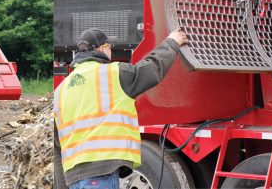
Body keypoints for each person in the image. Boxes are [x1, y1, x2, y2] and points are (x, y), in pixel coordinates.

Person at [53, 28, 188, 189]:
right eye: (109, 47)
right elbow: (152, 68)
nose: (111, 52)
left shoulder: (60, 91)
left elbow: (57, 143)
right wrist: (172, 42)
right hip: (102, 171)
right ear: (102, 48)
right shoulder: (113, 73)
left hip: (74, 178)